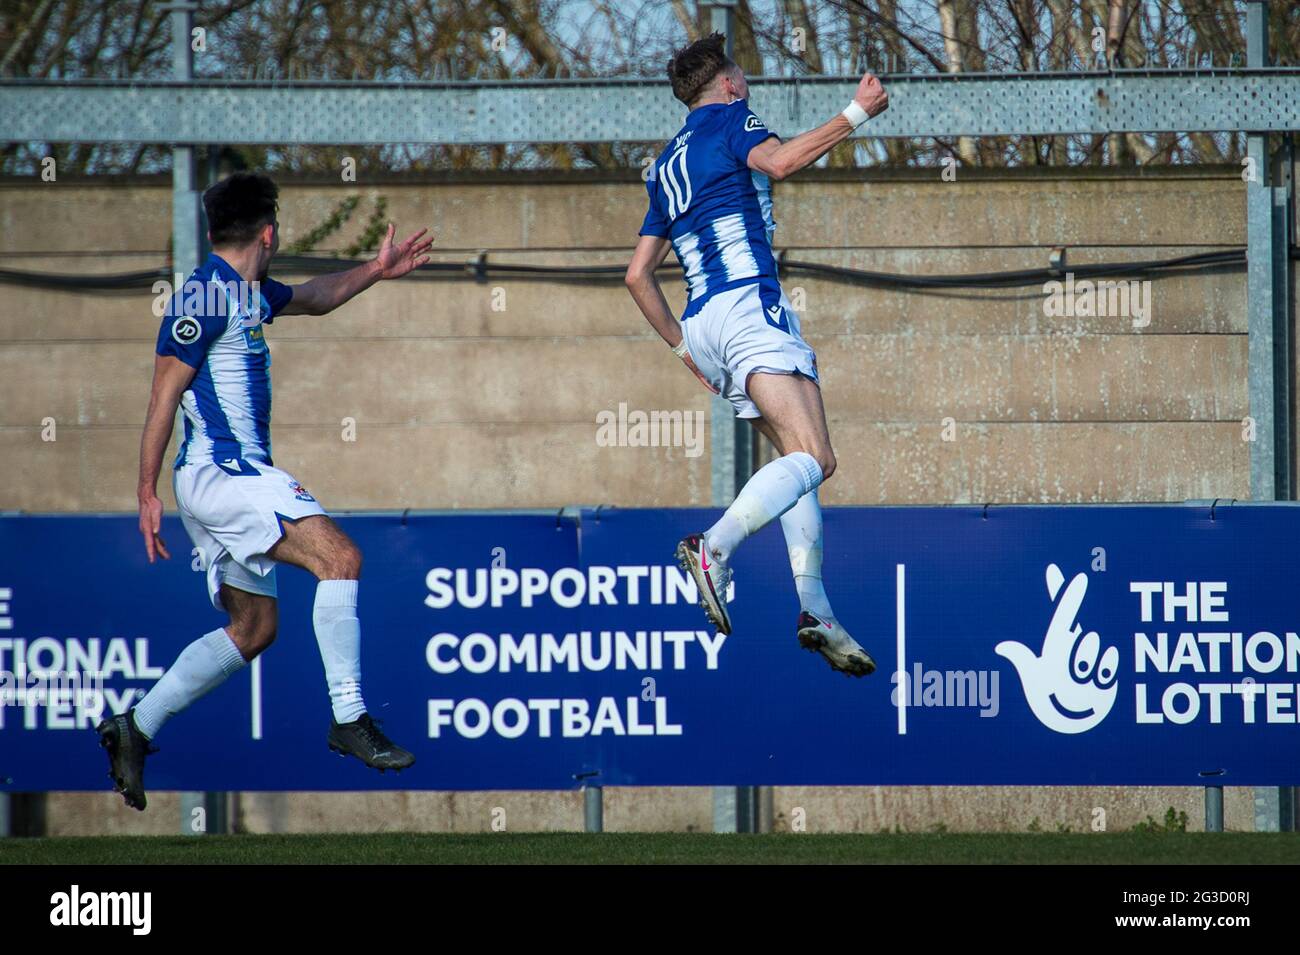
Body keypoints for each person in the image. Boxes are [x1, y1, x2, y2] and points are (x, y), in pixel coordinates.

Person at [98, 172, 433, 810]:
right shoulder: (204, 298)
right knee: (341, 559)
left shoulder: (244, 291)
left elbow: (314, 296)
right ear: (269, 232)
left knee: (253, 628)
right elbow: (162, 394)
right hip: (226, 473)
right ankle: (350, 717)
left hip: (222, 479)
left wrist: (375, 269)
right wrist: (145, 492)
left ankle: (134, 728)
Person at [623, 34, 888, 677]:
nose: (747, 82)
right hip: (747, 306)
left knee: (795, 462)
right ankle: (713, 548)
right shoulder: (730, 118)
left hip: (704, 321)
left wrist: (685, 347)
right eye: (742, 73)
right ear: (729, 84)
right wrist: (856, 114)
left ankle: (815, 607)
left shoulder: (666, 164)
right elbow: (781, 163)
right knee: (817, 458)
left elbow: (637, 275)